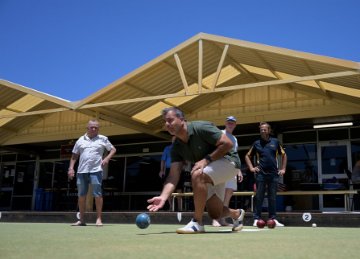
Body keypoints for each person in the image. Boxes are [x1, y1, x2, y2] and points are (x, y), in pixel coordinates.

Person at [147, 107, 245, 234]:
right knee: (215, 213)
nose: (167, 124)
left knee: (197, 173)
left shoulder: (201, 127)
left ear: (182, 120)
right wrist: (163, 197)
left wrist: (206, 160)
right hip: (210, 170)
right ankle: (237, 214)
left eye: (170, 120)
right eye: (165, 122)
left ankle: (197, 222)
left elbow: (227, 144)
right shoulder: (176, 146)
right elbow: (173, 175)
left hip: (229, 162)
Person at [68, 119, 116, 226]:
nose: (94, 129)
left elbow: (113, 149)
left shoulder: (103, 139)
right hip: (81, 171)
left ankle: (99, 219)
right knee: (81, 195)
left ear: (98, 129)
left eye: (96, 127)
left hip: (96, 170)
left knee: (97, 194)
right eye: (92, 127)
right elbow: (74, 155)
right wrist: (71, 168)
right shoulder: (80, 140)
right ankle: (81, 220)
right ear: (87, 128)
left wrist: (107, 158)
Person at [245, 122, 287, 227]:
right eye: (261, 129)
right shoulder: (256, 143)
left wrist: (283, 168)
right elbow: (247, 156)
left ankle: (273, 218)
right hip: (261, 174)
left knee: (272, 197)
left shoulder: (276, 142)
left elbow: (284, 155)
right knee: (259, 197)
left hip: (273, 174)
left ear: (269, 130)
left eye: (265, 129)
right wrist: (251, 168)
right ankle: (256, 218)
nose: (263, 131)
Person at [212, 116, 243, 227]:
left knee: (229, 192)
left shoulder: (234, 139)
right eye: (229, 122)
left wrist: (238, 170)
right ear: (225, 123)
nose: (230, 124)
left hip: (231, 166)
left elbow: (235, 154)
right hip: (220, 165)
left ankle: (222, 219)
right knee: (219, 191)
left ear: (235, 125)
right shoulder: (220, 133)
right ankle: (215, 218)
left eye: (232, 123)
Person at [159, 136, 183, 210]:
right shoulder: (167, 148)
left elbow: (185, 160)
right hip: (169, 169)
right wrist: (161, 170)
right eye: (173, 140)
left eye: (176, 140)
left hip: (179, 170)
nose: (174, 141)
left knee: (179, 190)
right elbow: (163, 160)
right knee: (168, 189)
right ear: (171, 141)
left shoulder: (181, 148)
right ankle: (171, 207)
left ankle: (180, 208)